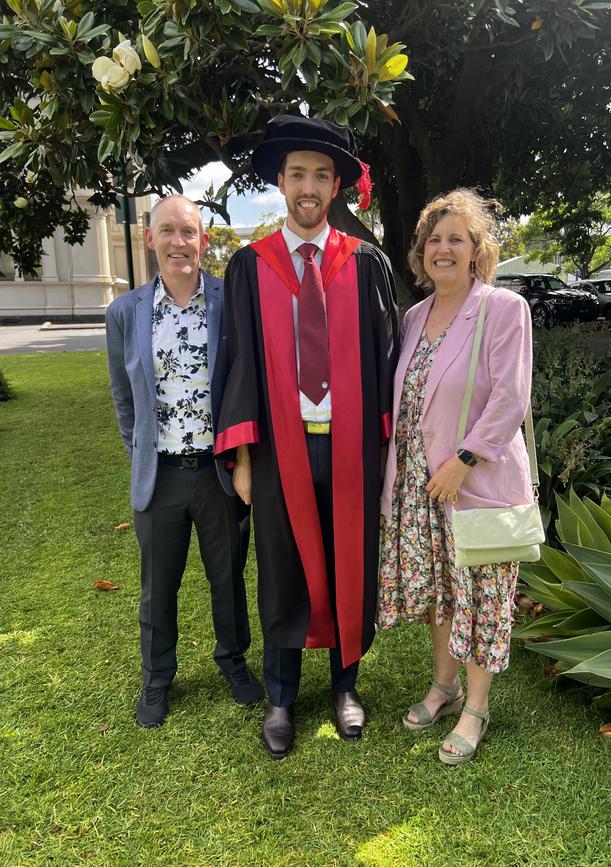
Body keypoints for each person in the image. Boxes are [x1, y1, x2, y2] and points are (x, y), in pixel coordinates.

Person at [215, 115, 398, 758]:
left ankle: (346, 686)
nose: (310, 186)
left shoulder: (366, 264)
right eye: (298, 174)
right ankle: (282, 696)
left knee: (352, 563)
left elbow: (386, 361)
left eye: (323, 174)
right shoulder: (249, 266)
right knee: (283, 568)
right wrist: (240, 456)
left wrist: (387, 450)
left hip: (351, 447)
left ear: (338, 185)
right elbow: (235, 367)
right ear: (280, 182)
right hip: (277, 450)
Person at [378, 188, 533, 765]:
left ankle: (476, 707)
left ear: (476, 250)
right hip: (419, 486)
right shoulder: (414, 317)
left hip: (473, 483)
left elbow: (511, 396)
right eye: (433, 239)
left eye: (456, 239)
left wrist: (463, 460)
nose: (443, 249)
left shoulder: (501, 309)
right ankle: (443, 686)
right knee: (441, 592)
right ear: (421, 252)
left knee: (479, 598)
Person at [106, 194, 263, 728]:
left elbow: (246, 384)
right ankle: (156, 679)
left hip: (218, 472)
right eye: (167, 231)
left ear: (203, 239)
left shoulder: (229, 299)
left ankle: (234, 661)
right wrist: (142, 450)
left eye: (189, 232)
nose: (179, 242)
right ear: (150, 239)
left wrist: (243, 459)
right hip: (160, 477)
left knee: (229, 578)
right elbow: (124, 398)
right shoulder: (124, 312)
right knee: (159, 585)